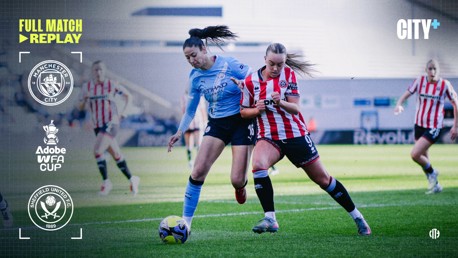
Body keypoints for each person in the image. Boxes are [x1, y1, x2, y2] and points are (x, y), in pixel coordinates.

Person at [236, 43, 371, 236]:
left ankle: (358, 217)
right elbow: (243, 112)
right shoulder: (250, 82)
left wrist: (279, 102)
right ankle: (270, 218)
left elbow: (296, 108)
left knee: (324, 180)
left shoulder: (288, 75)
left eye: (280, 64)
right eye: (272, 63)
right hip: (269, 137)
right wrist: (256, 110)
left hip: (295, 135)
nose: (275, 68)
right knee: (258, 165)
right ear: (265, 60)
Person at [168, 25, 254, 231]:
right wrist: (180, 131)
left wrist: (245, 87)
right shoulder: (195, 76)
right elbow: (190, 110)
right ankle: (185, 224)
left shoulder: (229, 63)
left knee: (236, 180)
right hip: (217, 124)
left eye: (194, 55)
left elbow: (254, 81)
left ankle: (240, 186)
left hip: (241, 120)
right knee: (197, 172)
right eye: (187, 58)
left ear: (204, 50)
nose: (192, 60)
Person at [394, 59, 457, 194]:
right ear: (426, 70)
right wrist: (399, 104)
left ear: (438, 70)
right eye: (430, 68)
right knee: (424, 157)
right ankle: (436, 185)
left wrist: (455, 126)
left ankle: (433, 173)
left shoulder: (445, 85)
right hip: (419, 124)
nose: (432, 72)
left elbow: (455, 104)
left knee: (415, 154)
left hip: (434, 126)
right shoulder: (420, 81)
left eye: (435, 69)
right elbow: (405, 95)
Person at [78, 60, 140, 196]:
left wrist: (124, 112)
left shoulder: (111, 84)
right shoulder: (87, 87)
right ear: (92, 72)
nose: (98, 72)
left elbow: (128, 96)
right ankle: (132, 178)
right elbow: (80, 107)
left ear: (104, 71)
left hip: (112, 122)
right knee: (116, 155)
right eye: (96, 70)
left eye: (100, 69)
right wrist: (84, 100)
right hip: (98, 125)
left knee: (97, 151)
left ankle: (106, 182)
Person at [180, 89, 206, 169]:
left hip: (193, 121)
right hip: (193, 121)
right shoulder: (197, 96)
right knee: (193, 143)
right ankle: (194, 162)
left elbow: (183, 110)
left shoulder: (186, 97)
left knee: (194, 143)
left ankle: (195, 162)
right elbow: (202, 110)